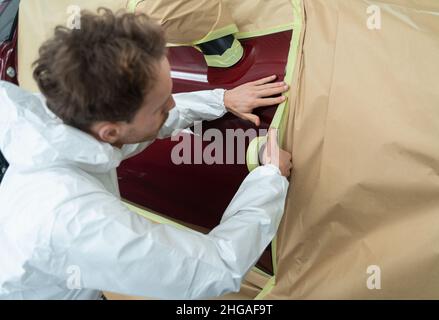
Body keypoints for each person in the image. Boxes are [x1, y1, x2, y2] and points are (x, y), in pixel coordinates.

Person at [0, 8, 292, 299]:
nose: (171, 107)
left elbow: (138, 128)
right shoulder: (77, 221)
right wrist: (270, 179)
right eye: (160, 107)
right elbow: (218, 268)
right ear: (109, 131)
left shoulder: (64, 117)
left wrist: (221, 99)